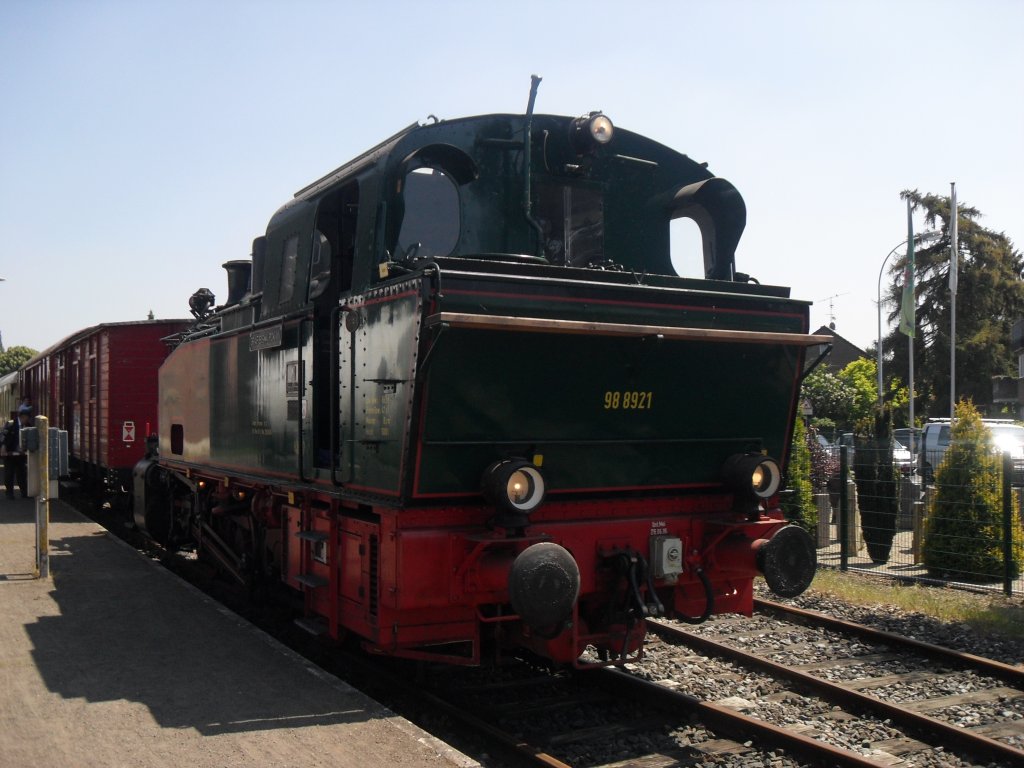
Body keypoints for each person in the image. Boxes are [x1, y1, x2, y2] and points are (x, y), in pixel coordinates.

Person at [1, 406, 31, 498]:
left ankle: (24, 493)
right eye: (27, 418)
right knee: (9, 474)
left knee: (22, 473)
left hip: (21, 455)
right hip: (10, 454)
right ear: (22, 417)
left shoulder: (28, 426)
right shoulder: (10, 424)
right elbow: (3, 436)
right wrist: (3, 446)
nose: (27, 420)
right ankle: (9, 493)